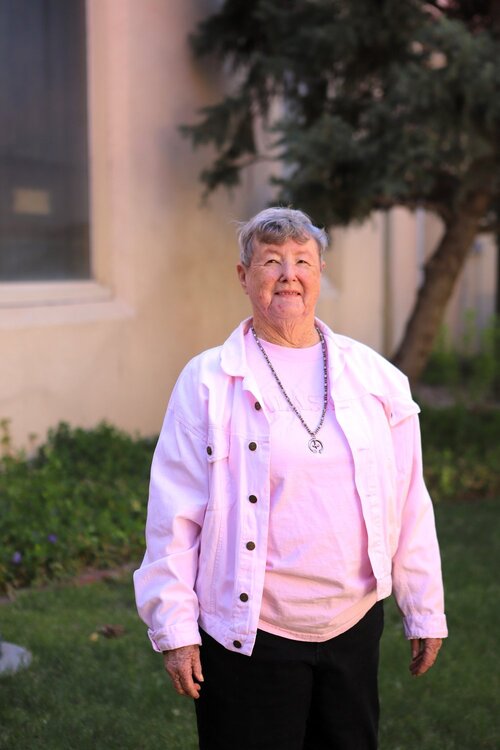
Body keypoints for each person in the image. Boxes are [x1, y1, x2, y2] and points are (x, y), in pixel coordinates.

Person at [134, 207, 447, 750]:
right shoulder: (207, 381)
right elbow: (173, 516)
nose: (288, 275)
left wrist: (424, 610)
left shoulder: (375, 378)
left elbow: (409, 499)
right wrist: (176, 630)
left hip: (353, 624)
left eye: (302, 260)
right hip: (249, 631)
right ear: (243, 276)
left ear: (321, 271)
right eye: (271, 261)